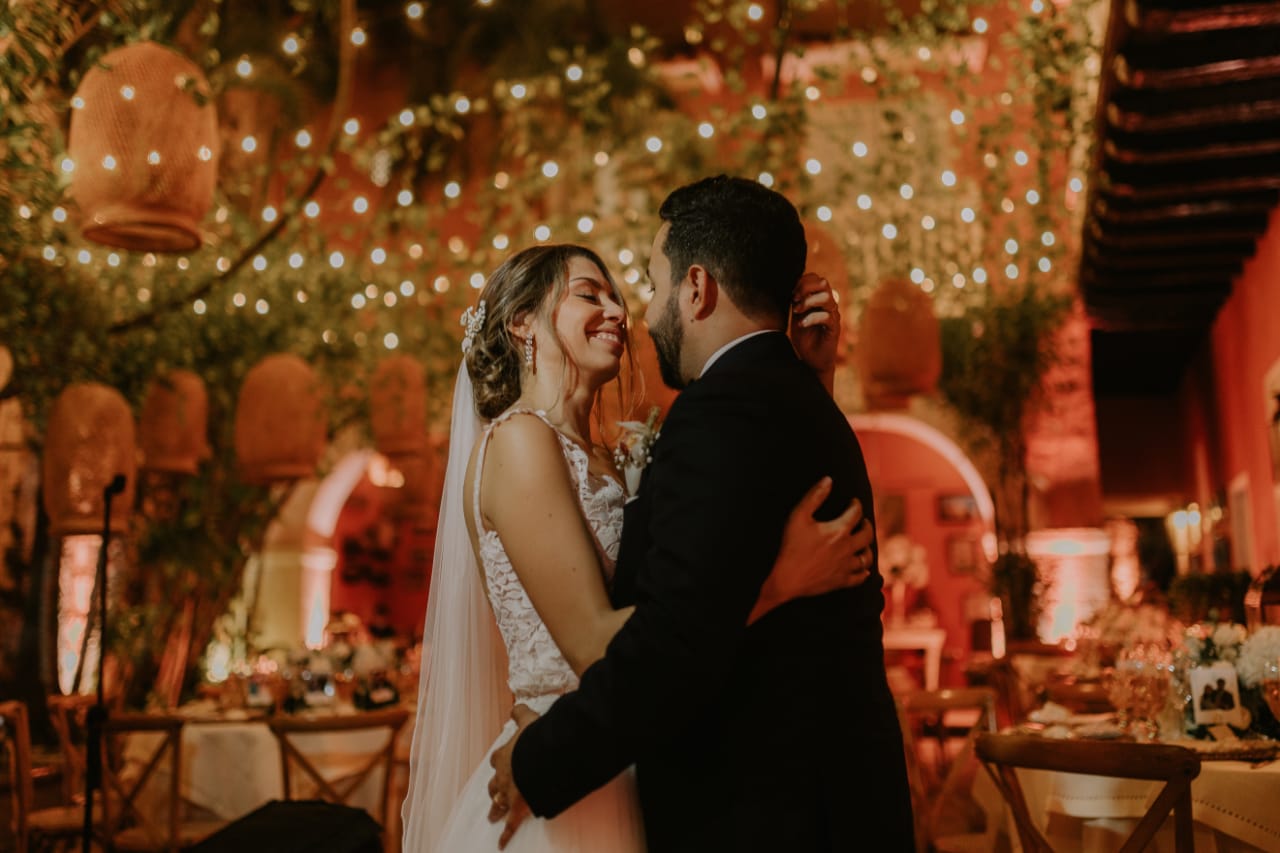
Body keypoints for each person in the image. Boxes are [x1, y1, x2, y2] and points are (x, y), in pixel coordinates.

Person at [400, 241, 875, 852]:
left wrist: (811, 382)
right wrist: (776, 583)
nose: (617, 312)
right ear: (522, 322)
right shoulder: (519, 441)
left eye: (619, 297)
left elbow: (683, 593)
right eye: (587, 294)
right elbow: (595, 645)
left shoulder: (617, 459)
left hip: (634, 755)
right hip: (565, 775)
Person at [488, 176, 915, 851]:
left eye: (649, 287)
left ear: (697, 287)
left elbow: (676, 637)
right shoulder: (793, 400)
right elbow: (672, 620)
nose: (639, 312)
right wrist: (772, 581)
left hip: (766, 808)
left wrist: (540, 760)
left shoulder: (724, 412)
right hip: (812, 798)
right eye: (589, 293)